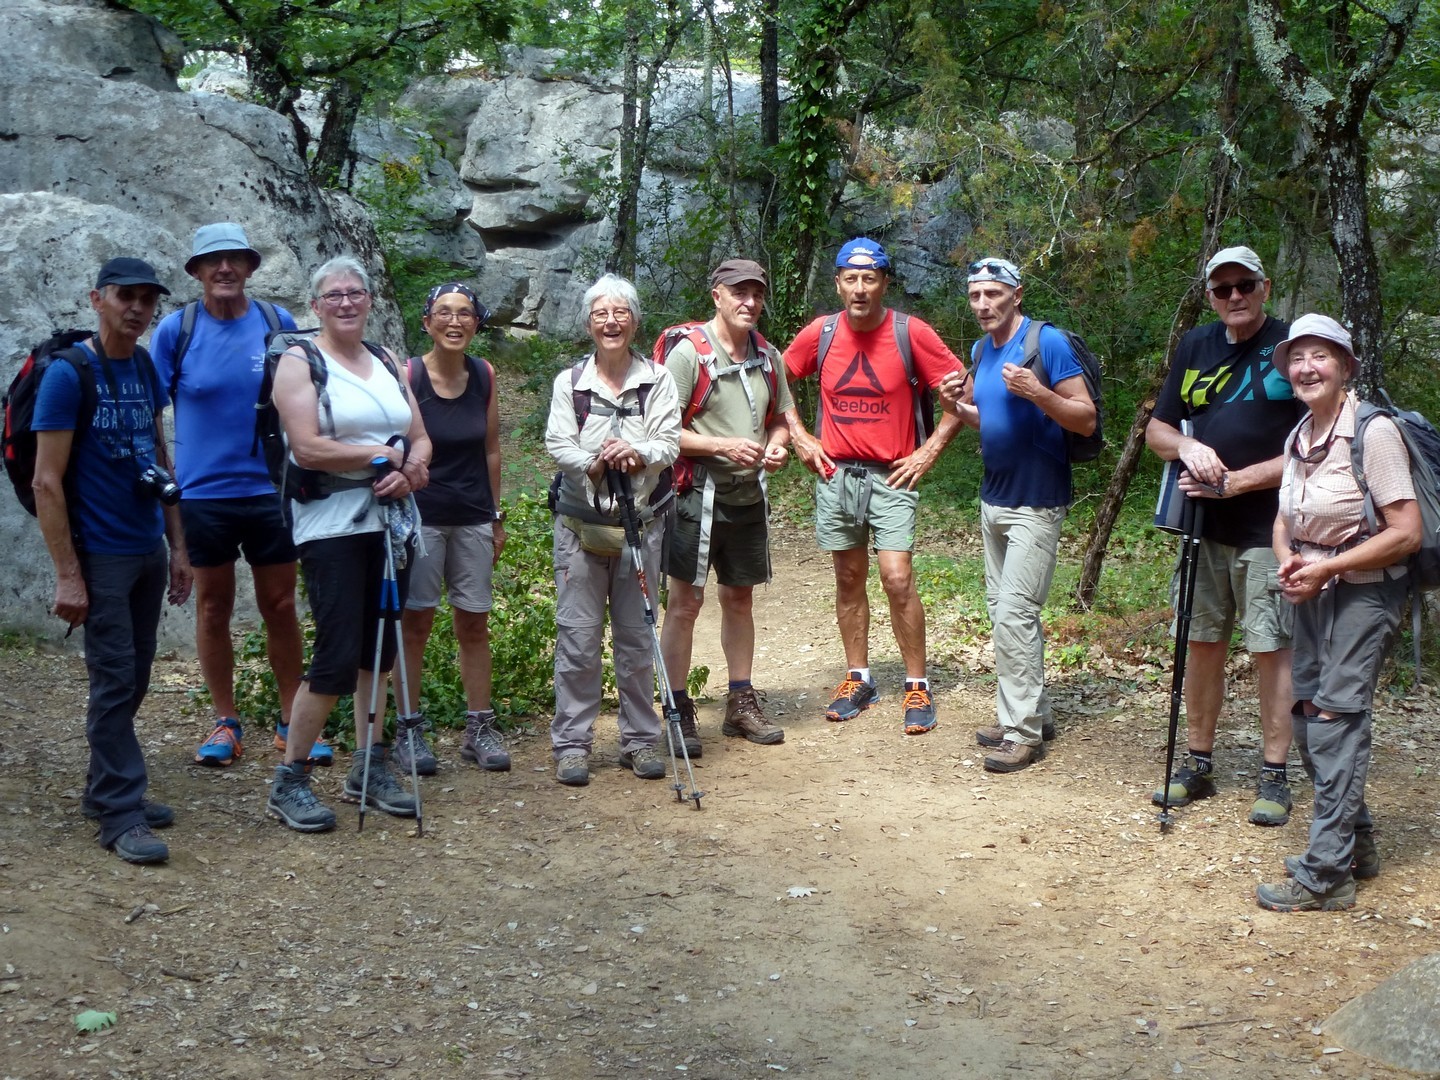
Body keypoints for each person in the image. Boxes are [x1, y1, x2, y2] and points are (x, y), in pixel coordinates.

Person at [1255, 314, 1419, 912]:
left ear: (1345, 366)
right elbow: (1284, 520)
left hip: (1365, 594)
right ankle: (1357, 845)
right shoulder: (1300, 434)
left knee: (1335, 718)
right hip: (1314, 592)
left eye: (1320, 356)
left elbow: (1406, 531)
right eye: (1296, 358)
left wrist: (1327, 568)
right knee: (1307, 714)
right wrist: (1291, 563)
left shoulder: (1374, 433)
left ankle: (1327, 874)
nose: (1306, 368)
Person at [32, 257, 193, 863]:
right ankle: (121, 813)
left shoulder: (145, 365)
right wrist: (68, 575)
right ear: (96, 298)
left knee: (137, 674)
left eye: (148, 299)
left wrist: (178, 547)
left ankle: (104, 787)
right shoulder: (69, 375)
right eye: (126, 296)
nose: (138, 309)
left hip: (146, 546)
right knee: (114, 678)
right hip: (100, 554)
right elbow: (47, 482)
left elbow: (158, 456)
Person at [264, 256, 432, 832]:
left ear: (368, 300)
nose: (345, 302)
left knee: (378, 652)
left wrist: (409, 470)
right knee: (337, 652)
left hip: (390, 523)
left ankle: (369, 765)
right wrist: (379, 456)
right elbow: (307, 447)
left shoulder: (385, 360)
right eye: (333, 295)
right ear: (316, 306)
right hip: (331, 525)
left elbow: (420, 437)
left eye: (354, 292)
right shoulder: (299, 362)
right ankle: (290, 778)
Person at [149, 222, 319, 770]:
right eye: (212, 260)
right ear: (196, 271)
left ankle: (293, 719)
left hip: (270, 489)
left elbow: (306, 397)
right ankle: (225, 720)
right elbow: (151, 408)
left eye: (234, 259)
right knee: (213, 605)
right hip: (204, 496)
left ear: (249, 267)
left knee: (281, 605)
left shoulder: (276, 323)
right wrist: (165, 475)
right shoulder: (177, 330)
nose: (224, 269)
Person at [782, 237, 965, 735]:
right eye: (851, 279)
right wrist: (799, 436)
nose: (860, 288)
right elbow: (773, 379)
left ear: (884, 283)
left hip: (892, 474)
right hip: (835, 472)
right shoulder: (821, 333)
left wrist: (930, 449)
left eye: (869, 279)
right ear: (838, 284)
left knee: (897, 578)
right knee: (848, 578)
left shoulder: (911, 333)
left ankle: (917, 684)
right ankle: (858, 678)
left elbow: (962, 388)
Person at [1146, 245, 1302, 825]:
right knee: (1202, 641)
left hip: (1271, 528)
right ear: (1210, 296)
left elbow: (1316, 442)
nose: (1234, 297)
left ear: (1265, 288)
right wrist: (1187, 446)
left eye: (1245, 286)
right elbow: (1158, 430)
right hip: (1201, 526)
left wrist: (1238, 483)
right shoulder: (1196, 345)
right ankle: (1198, 763)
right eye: (1222, 289)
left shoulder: (1292, 347)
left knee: (1271, 648)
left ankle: (1275, 773)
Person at [941, 258, 1095, 773]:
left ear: (1017, 294)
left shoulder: (1046, 343)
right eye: (975, 295)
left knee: (1014, 613)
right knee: (1004, 613)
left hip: (1038, 500)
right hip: (994, 498)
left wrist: (1039, 392)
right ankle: (1033, 712)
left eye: (993, 294)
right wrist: (956, 407)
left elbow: (1085, 417)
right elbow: (987, 418)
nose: (983, 304)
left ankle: (1022, 732)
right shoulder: (981, 350)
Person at [545, 274, 681, 787]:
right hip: (579, 528)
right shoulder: (570, 383)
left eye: (620, 313)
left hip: (640, 526)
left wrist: (636, 452)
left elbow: (668, 442)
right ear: (588, 324)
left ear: (635, 321)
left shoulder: (657, 379)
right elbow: (558, 442)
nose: (611, 322)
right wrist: (595, 462)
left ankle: (640, 741)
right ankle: (572, 746)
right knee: (578, 639)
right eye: (601, 314)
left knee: (637, 637)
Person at [658, 258, 792, 755]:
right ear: (717, 295)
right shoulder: (688, 355)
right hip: (695, 494)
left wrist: (777, 446)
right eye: (739, 292)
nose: (749, 302)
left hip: (747, 495)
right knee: (685, 603)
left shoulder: (767, 355)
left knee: (739, 598)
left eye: (756, 293)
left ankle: (741, 702)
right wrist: (721, 446)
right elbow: (661, 432)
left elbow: (780, 417)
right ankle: (677, 710)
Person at [390, 282, 510, 776]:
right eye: (443, 312)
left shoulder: (484, 374)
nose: (454, 322)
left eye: (464, 313)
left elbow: (491, 449)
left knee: (474, 623)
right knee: (415, 623)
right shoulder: (408, 375)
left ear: (476, 324)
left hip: (474, 516)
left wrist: (496, 516)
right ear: (427, 322)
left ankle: (479, 726)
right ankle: (409, 728)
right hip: (421, 519)